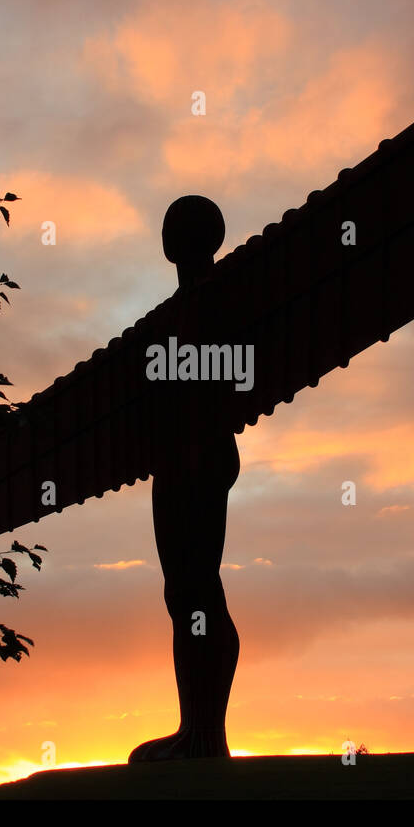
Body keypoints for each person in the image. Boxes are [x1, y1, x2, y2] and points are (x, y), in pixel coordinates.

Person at [128, 195, 241, 762]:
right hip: (175, 456)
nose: (169, 237)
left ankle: (206, 733)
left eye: (178, 227)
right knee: (182, 590)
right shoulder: (176, 310)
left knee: (198, 587)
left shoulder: (222, 298)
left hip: (201, 454)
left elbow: (228, 376)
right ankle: (194, 726)